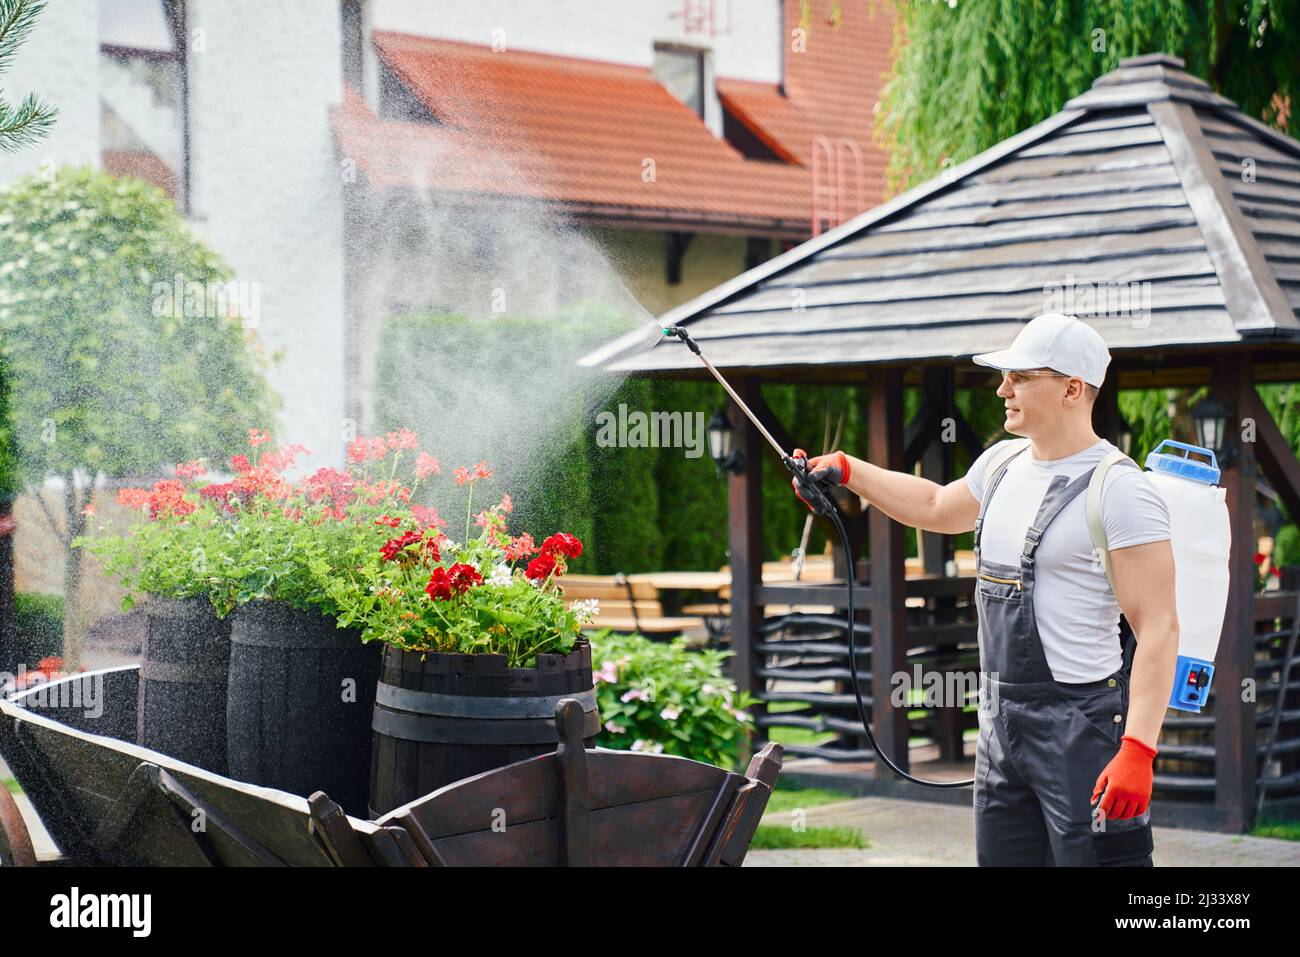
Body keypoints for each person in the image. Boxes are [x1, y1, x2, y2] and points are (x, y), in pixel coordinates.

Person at [791, 313, 1178, 866]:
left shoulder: (1120, 490)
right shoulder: (1001, 464)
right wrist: (849, 471)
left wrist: (1138, 749)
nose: (1003, 389)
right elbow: (933, 506)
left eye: (1021, 376)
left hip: (1082, 729)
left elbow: (1159, 626)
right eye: (1005, 376)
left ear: (1072, 389)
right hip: (1000, 727)